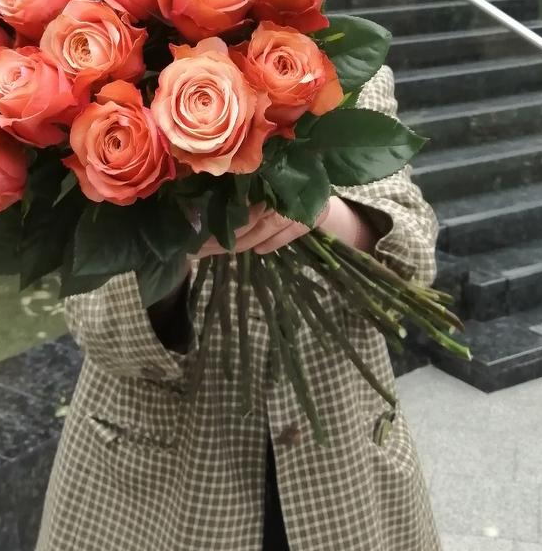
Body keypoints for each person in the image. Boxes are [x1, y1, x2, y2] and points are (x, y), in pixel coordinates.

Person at [36, 65, 441, 551]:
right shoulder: (106, 100)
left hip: (342, 460)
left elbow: (413, 262)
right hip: (156, 484)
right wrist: (170, 244)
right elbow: (100, 328)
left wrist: (319, 209)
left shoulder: (347, 74)